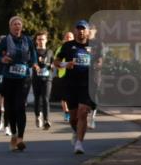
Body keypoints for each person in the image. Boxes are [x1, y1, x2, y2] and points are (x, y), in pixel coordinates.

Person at [54, 20, 98, 155]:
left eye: (83, 29)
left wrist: (98, 65)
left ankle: (79, 143)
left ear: (88, 31)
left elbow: (101, 60)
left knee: (83, 112)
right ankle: (75, 131)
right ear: (75, 31)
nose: (81, 31)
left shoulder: (94, 46)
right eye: (79, 29)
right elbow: (56, 62)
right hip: (71, 84)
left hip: (87, 84)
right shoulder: (67, 46)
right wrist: (65, 65)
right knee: (73, 117)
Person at [0, 16, 35, 152]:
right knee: (10, 108)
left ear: (21, 27)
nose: (17, 26)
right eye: (14, 24)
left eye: (19, 24)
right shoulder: (5, 41)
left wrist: (33, 64)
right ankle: (14, 133)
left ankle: (20, 138)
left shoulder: (27, 40)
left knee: (20, 107)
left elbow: (33, 54)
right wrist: (3, 59)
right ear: (10, 27)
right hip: (9, 78)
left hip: (23, 78)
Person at [32, 31, 54, 129]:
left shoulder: (50, 52)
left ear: (46, 40)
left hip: (47, 78)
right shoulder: (33, 52)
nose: (41, 41)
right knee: (37, 99)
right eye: (39, 39)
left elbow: (54, 63)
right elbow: (30, 62)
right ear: (36, 41)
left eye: (43, 39)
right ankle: (37, 116)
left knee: (45, 98)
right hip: (36, 78)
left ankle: (46, 120)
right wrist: (35, 65)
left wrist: (52, 66)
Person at [56, 30, 75, 122]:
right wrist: (66, 64)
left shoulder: (76, 48)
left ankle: (73, 112)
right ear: (64, 39)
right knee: (64, 97)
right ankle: (67, 113)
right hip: (63, 74)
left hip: (74, 75)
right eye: (67, 37)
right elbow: (56, 62)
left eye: (70, 37)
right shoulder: (60, 49)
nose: (68, 39)